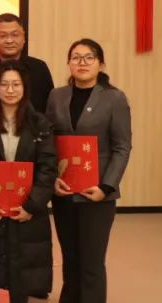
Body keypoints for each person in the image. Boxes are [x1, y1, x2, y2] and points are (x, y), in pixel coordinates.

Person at [46, 39, 132, 303]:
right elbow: (49, 141)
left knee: (92, 262)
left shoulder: (114, 98)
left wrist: (106, 186)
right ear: (69, 63)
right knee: (70, 259)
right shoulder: (56, 96)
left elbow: (122, 147)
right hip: (63, 191)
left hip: (97, 193)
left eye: (89, 57)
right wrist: (53, 178)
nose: (82, 63)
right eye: (76, 57)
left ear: (100, 64)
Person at [0, 61, 56, 303]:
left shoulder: (39, 123)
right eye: (4, 84)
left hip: (26, 210)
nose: (10, 90)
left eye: (16, 84)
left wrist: (32, 205)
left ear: (25, 88)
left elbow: (48, 167)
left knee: (22, 275)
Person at [0, 13, 55, 115]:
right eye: (3, 36)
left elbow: (49, 108)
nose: (9, 40)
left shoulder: (39, 68)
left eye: (15, 35)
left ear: (24, 38)